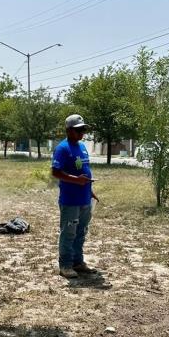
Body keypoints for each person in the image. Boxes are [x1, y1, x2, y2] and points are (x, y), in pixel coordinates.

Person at [51, 114, 99, 279]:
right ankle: (65, 265)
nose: (82, 133)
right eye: (79, 130)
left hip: (84, 197)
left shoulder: (82, 146)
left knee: (81, 232)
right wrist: (75, 180)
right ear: (69, 130)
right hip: (70, 199)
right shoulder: (62, 148)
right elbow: (55, 172)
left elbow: (85, 170)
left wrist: (89, 190)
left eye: (83, 129)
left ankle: (78, 262)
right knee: (69, 233)